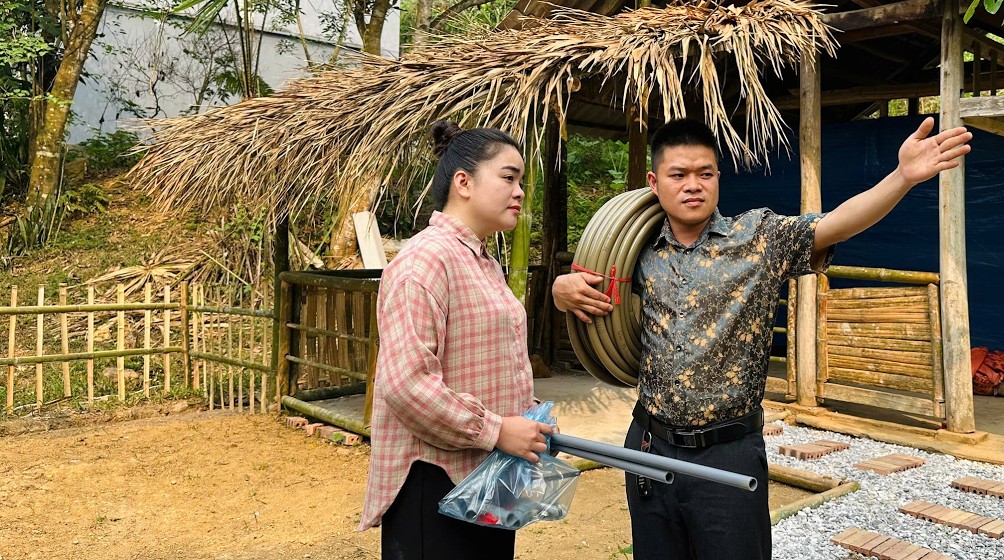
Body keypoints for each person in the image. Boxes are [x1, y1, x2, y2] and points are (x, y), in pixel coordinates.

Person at [553, 116, 971, 560]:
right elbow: (593, 292)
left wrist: (902, 176)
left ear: (718, 178)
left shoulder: (759, 237)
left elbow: (837, 223)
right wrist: (563, 290)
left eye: (705, 173)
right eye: (679, 175)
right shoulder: (636, 251)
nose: (693, 185)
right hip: (649, 444)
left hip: (727, 451)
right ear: (655, 182)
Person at [359, 120, 555, 560]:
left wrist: (527, 418)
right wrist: (497, 429)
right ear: (463, 182)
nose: (520, 191)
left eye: (520, 180)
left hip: (487, 480)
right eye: (508, 177)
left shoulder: (482, 261)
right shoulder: (424, 260)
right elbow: (406, 385)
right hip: (434, 484)